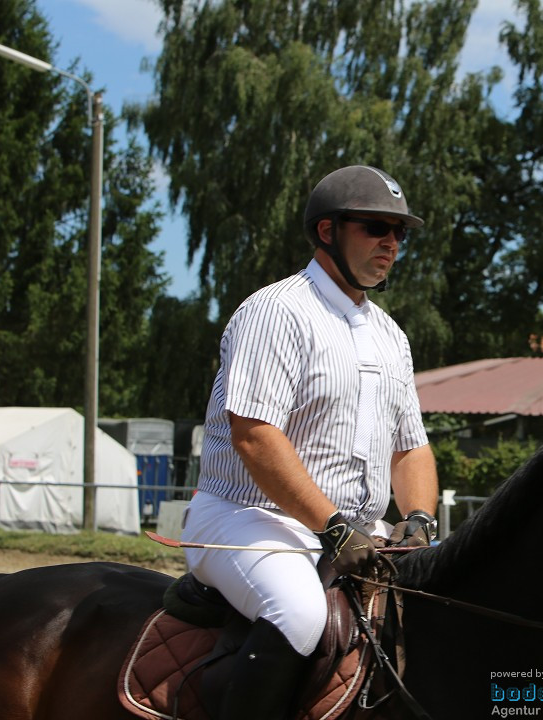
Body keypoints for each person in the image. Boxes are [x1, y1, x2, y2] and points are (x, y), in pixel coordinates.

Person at [179, 165, 439, 720]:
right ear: (327, 231)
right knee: (300, 613)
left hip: (354, 534)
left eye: (400, 232)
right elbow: (255, 436)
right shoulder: (276, 311)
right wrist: (333, 524)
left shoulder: (392, 335)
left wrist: (418, 517)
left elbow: (410, 448)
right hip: (246, 520)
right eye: (375, 227)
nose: (391, 242)